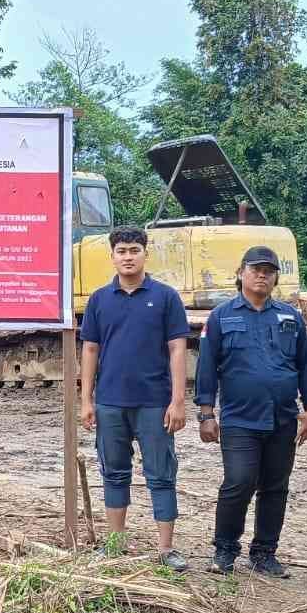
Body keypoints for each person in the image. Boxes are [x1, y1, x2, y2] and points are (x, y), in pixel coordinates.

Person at [195, 246, 307, 578]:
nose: (262, 275)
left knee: (276, 486)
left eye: (269, 270)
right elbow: (207, 367)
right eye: (256, 269)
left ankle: (264, 553)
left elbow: (306, 366)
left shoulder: (290, 317)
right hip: (240, 418)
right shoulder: (222, 316)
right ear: (241, 272)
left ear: (276, 277)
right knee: (238, 481)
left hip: (282, 418)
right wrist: (206, 414)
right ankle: (225, 550)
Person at [79, 225, 191, 571]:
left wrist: (177, 400)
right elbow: (91, 348)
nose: (128, 257)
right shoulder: (99, 299)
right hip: (111, 402)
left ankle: (166, 549)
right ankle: (114, 545)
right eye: (122, 251)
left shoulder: (166, 297)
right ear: (112, 257)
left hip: (154, 403)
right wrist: (86, 400)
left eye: (134, 250)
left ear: (145, 253)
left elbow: (177, 349)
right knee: (114, 472)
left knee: (161, 474)